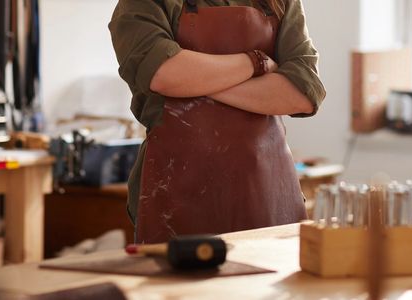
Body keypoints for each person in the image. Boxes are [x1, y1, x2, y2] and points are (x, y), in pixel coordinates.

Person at [109, 0, 326, 243]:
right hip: (176, 189)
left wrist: (193, 81)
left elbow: (303, 92)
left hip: (267, 189)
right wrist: (256, 62)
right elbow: (162, 72)